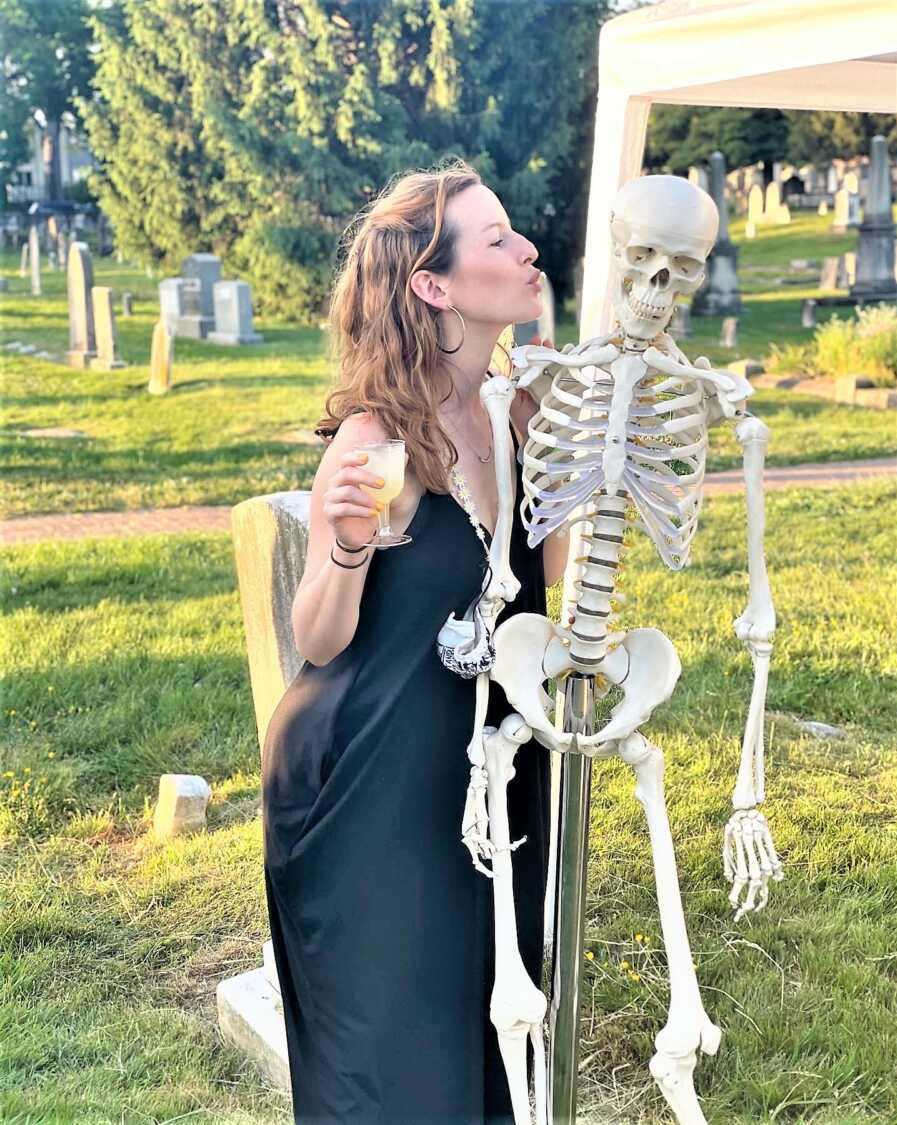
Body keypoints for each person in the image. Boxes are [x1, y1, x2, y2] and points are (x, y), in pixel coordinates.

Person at [261, 157, 572, 1124]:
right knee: (399, 1069)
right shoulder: (374, 437)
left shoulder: (524, 416)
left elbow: (551, 585)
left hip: (491, 772)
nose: (529, 250)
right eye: (498, 240)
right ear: (434, 286)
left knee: (494, 1046)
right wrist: (348, 546)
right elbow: (317, 635)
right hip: (371, 781)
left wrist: (579, 445)